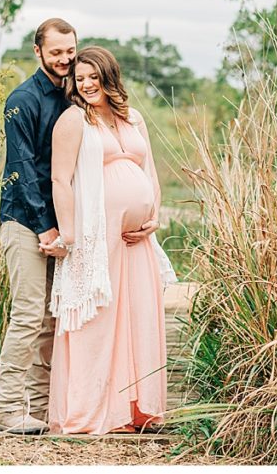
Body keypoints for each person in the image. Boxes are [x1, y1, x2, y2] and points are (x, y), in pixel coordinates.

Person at [43, 46, 175, 435]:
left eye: (92, 78)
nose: (85, 85)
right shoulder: (73, 121)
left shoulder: (133, 118)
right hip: (96, 237)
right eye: (79, 79)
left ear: (109, 77)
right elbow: (60, 180)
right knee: (99, 321)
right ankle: (93, 409)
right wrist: (67, 234)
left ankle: (135, 408)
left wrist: (153, 218)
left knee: (138, 315)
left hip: (137, 240)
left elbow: (149, 172)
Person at [0, 18, 77, 435]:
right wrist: (45, 227)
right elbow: (22, 167)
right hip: (25, 222)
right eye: (56, 52)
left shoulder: (75, 96)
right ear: (38, 51)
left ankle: (40, 410)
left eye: (69, 51)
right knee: (28, 313)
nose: (64, 59)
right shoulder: (21, 100)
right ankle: (8, 410)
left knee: (51, 318)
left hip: (61, 226)